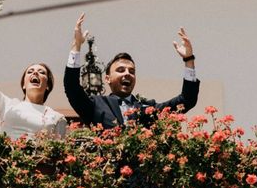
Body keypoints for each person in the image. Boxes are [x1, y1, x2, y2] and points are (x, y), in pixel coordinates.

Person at [64, 13, 200, 128]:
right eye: (121, 70)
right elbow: (72, 88)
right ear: (107, 78)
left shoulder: (148, 108)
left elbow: (187, 99)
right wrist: (76, 46)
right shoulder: (96, 104)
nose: (127, 73)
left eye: (131, 71)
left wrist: (189, 59)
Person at [0, 42, 66, 140]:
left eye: (41, 72)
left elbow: (59, 151)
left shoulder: (57, 117)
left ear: (48, 85)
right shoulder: (7, 104)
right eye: (30, 71)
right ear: (23, 84)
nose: (35, 73)